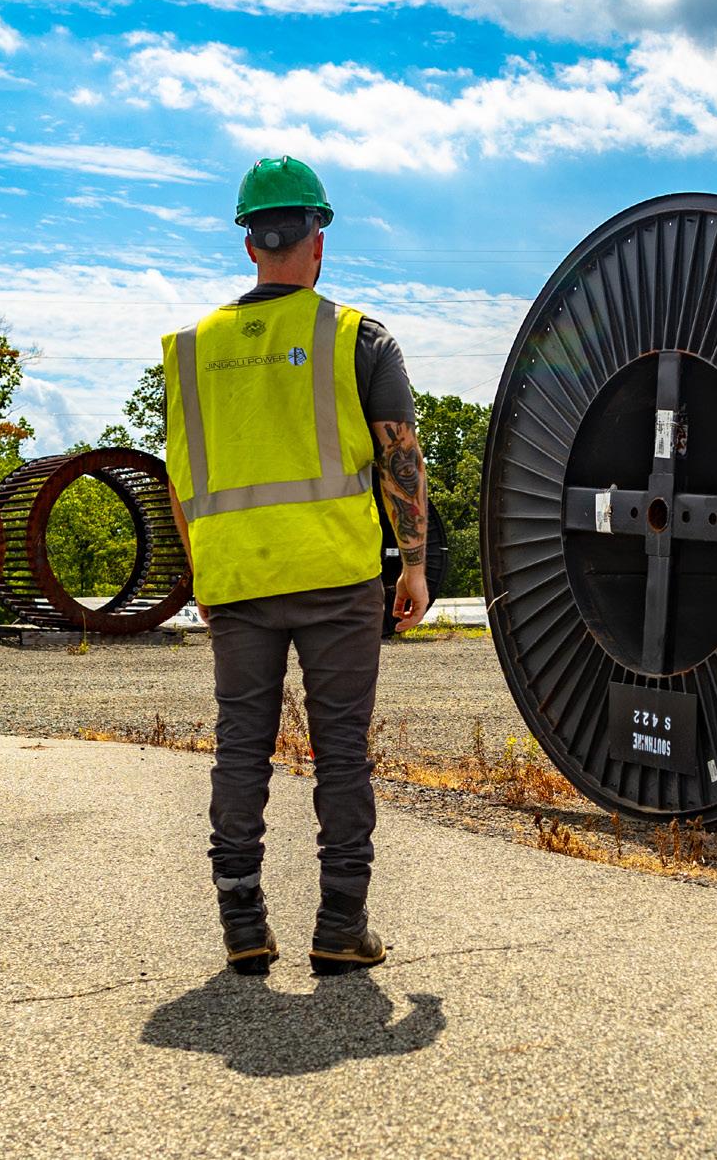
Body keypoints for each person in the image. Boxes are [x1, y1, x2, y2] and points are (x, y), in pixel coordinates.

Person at [161, 156, 432, 978]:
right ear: (317, 240)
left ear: (250, 244)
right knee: (341, 753)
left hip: (236, 580)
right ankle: (340, 926)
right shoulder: (356, 337)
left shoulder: (189, 350)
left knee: (240, 749)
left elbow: (180, 479)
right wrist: (413, 565)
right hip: (335, 575)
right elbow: (400, 456)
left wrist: (204, 574)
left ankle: (242, 924)